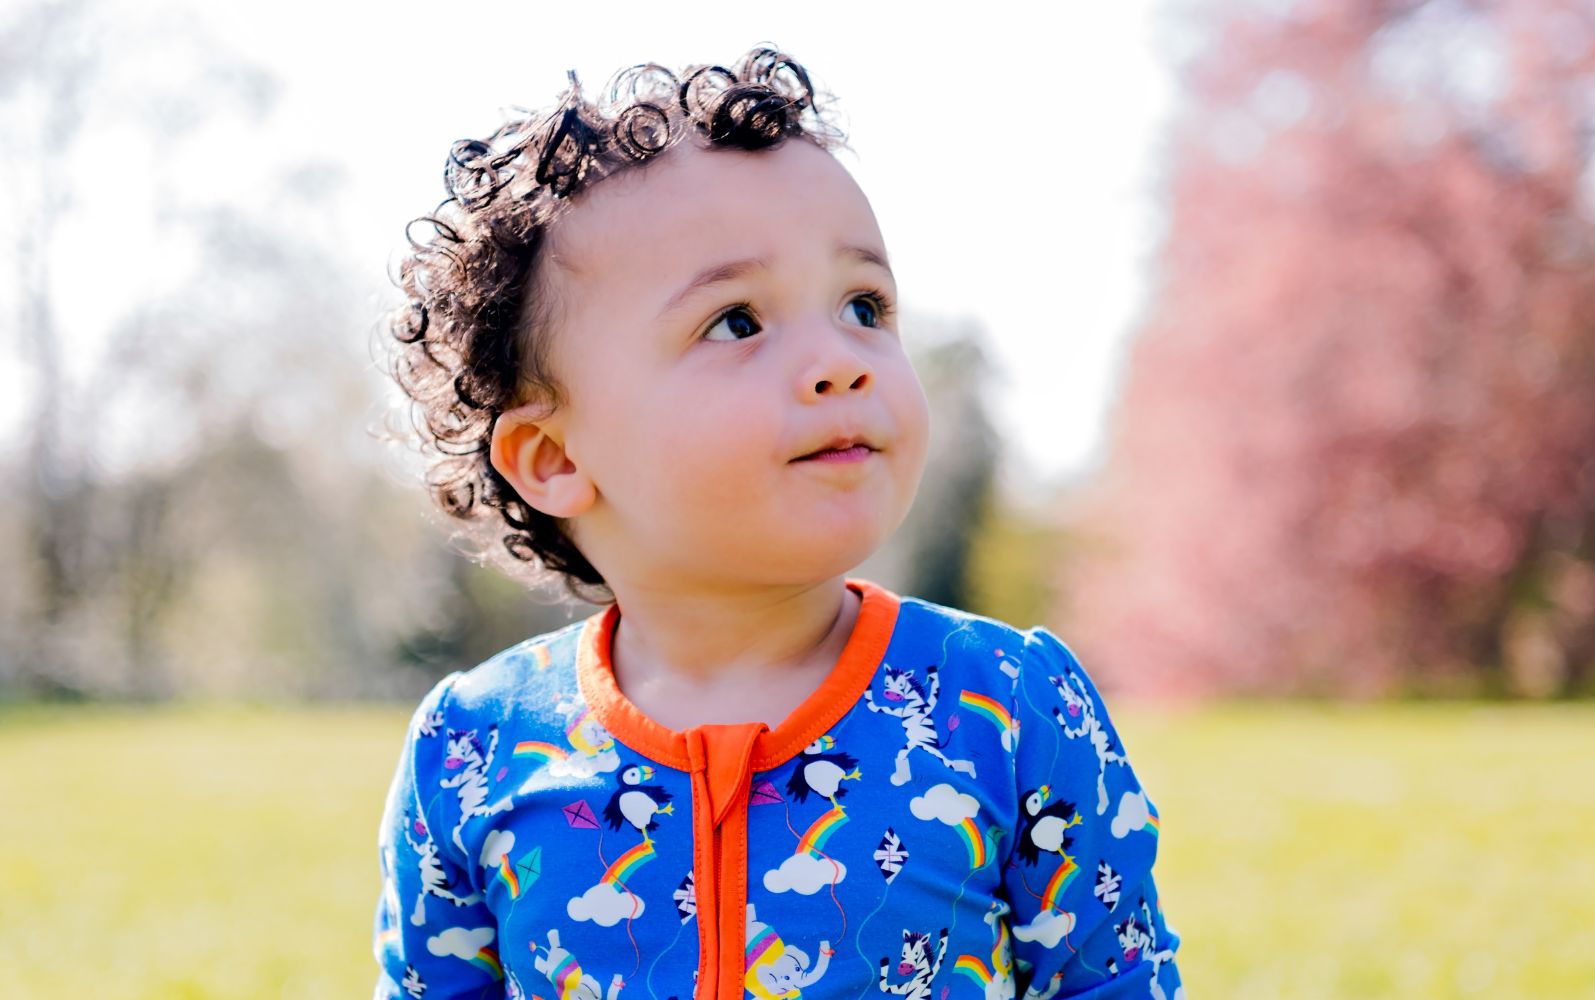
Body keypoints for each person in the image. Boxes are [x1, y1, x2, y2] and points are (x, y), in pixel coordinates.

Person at [372, 47, 1184, 1000]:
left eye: (863, 304)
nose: (840, 360)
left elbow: (1114, 983)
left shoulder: (1004, 707)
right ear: (556, 459)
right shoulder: (473, 750)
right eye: (737, 322)